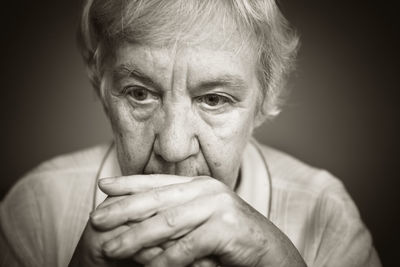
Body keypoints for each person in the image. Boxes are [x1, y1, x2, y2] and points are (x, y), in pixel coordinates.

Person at [0, 0, 381, 266]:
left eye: (214, 99)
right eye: (139, 93)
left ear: (265, 101)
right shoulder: (37, 208)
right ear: (101, 87)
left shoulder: (324, 212)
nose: (173, 147)